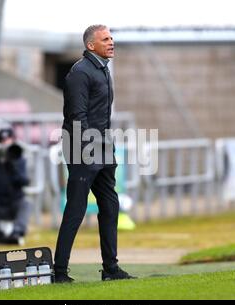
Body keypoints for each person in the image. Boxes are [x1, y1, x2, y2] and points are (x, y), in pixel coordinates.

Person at [54, 25, 136, 283]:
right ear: (91, 45)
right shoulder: (79, 73)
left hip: (102, 148)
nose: (111, 42)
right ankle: (59, 272)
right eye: (105, 39)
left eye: (111, 38)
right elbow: (77, 117)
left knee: (111, 206)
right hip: (82, 149)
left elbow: (103, 116)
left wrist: (107, 146)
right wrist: (92, 150)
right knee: (76, 209)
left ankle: (111, 269)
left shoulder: (102, 69)